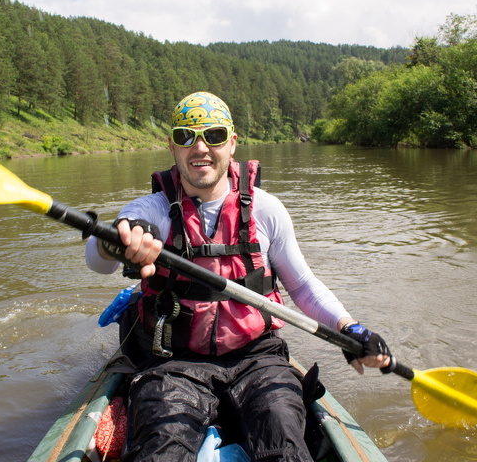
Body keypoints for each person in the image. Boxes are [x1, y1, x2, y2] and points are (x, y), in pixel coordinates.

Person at [85, 92, 392, 462]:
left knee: (284, 438)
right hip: (174, 363)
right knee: (160, 447)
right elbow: (98, 261)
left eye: (213, 135)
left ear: (231, 143)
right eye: (185, 137)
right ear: (171, 146)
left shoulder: (266, 209)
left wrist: (349, 328)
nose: (199, 148)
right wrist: (118, 242)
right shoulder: (151, 210)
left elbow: (304, 287)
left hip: (258, 358)